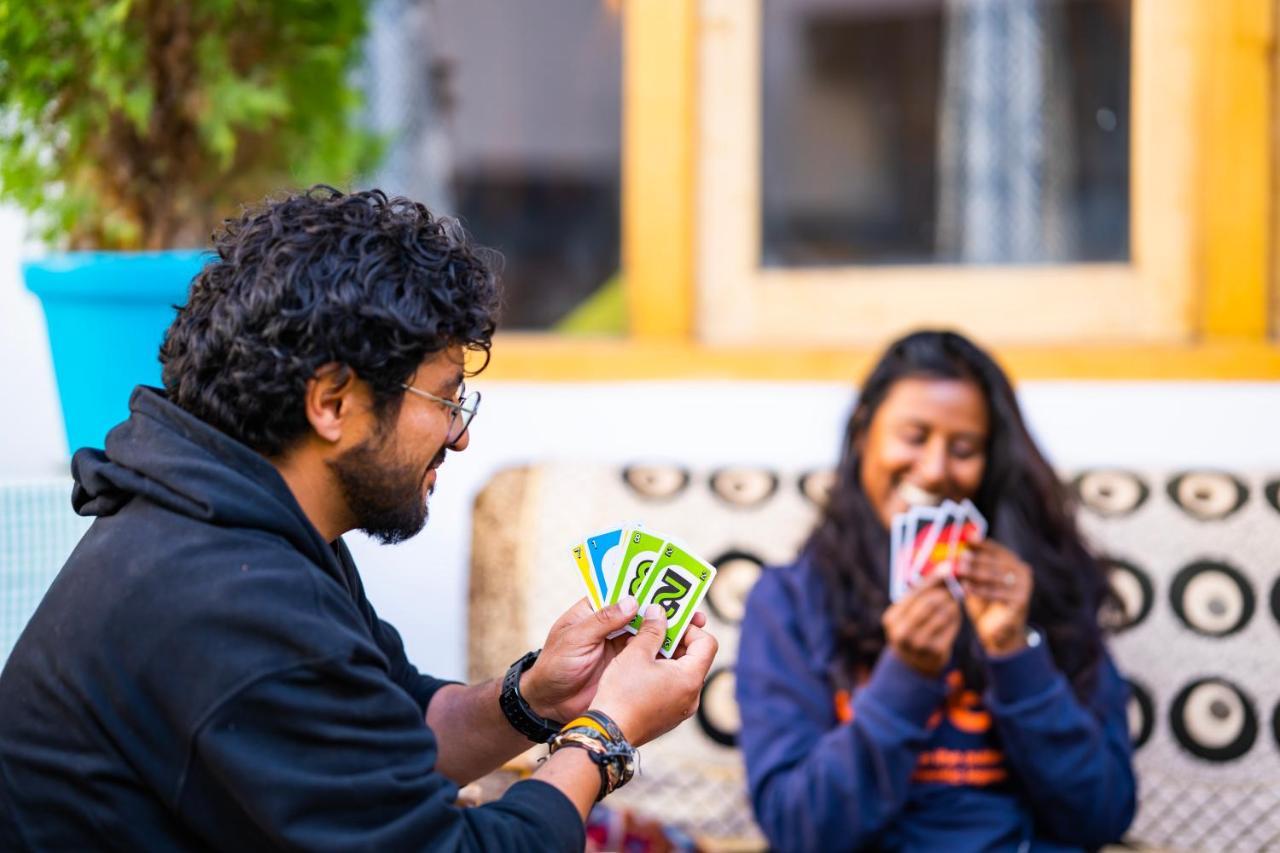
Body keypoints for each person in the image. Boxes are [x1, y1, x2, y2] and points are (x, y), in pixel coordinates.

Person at [0, 187, 717, 850]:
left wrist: (534, 698)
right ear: (333, 402)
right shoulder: (228, 601)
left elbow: (397, 730)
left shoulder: (232, 519)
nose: (460, 434)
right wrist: (604, 736)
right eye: (444, 397)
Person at [736, 330, 1135, 851]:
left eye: (964, 448)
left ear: (992, 462)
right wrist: (906, 677)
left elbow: (1102, 816)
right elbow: (800, 828)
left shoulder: (1040, 589)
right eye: (913, 436)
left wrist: (1016, 655)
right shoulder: (788, 601)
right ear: (863, 434)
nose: (935, 469)